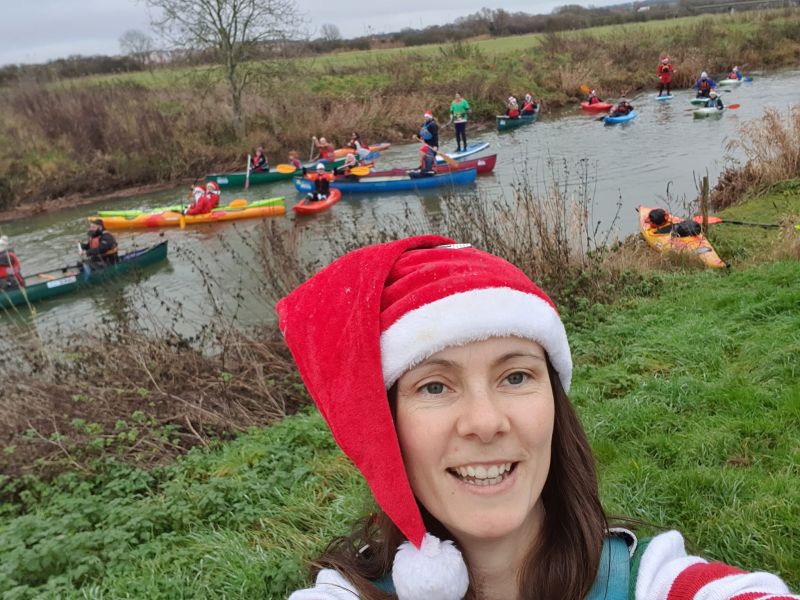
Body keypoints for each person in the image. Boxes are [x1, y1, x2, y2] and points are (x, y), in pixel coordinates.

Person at [280, 236, 799, 600]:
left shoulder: (650, 582)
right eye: (435, 385)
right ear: (384, 428)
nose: (485, 422)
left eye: (516, 377)